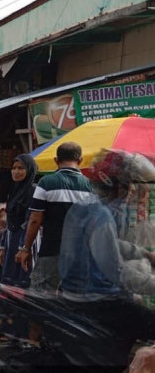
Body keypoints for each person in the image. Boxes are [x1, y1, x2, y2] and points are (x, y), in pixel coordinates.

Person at [59, 149, 155, 367]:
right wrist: (152, 284)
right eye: (130, 184)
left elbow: (110, 244)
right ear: (117, 185)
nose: (132, 191)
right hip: (96, 301)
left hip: (74, 294)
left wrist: (145, 254)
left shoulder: (84, 207)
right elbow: (116, 272)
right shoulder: (101, 215)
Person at [16, 142, 93, 291]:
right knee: (73, 299)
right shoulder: (90, 186)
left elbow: (35, 219)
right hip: (80, 254)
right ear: (80, 160)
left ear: (56, 160)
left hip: (52, 251)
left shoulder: (46, 183)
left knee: (42, 299)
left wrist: (25, 249)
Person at [0, 154, 38, 287]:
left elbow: (31, 220)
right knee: (9, 277)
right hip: (12, 239)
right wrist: (3, 245)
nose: (16, 171)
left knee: (22, 277)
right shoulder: (13, 190)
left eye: (21, 168)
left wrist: (24, 247)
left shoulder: (33, 191)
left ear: (29, 170)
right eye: (14, 168)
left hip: (26, 239)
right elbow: (10, 220)